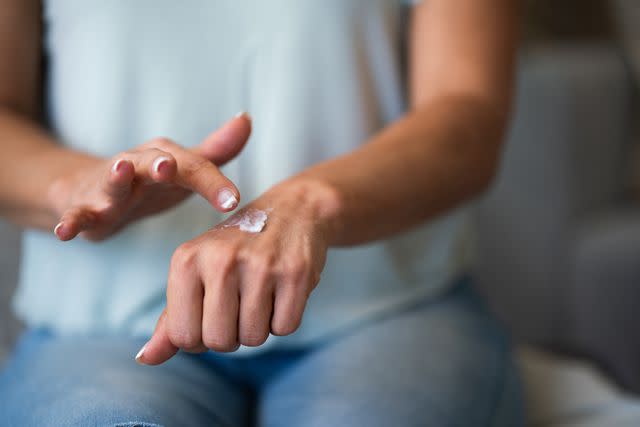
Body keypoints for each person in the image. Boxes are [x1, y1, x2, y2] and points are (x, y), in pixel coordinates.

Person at [0, 0, 523, 426]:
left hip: (386, 308)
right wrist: (75, 185)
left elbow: (468, 109)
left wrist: (311, 202)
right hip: (103, 326)